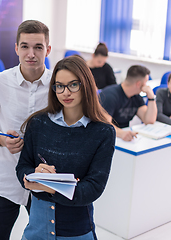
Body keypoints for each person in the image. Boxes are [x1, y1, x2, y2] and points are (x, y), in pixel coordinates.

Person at [16, 56, 116, 239]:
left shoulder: (103, 132)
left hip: (76, 228)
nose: (65, 92)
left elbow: (93, 188)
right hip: (37, 225)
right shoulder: (38, 123)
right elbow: (22, 167)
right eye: (59, 86)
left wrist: (52, 187)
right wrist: (31, 174)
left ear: (85, 84)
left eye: (73, 85)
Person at [0, 20, 52, 240]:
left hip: (43, 180)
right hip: (5, 178)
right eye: (25, 46)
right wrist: (1, 139)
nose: (31, 53)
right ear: (16, 48)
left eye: (38, 47)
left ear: (47, 49)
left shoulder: (58, 85)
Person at [99, 65, 157, 141]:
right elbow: (104, 124)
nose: (146, 86)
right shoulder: (109, 95)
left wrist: (151, 98)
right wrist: (121, 133)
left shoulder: (136, 96)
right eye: (145, 82)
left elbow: (149, 121)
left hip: (122, 137)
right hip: (106, 137)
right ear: (138, 84)